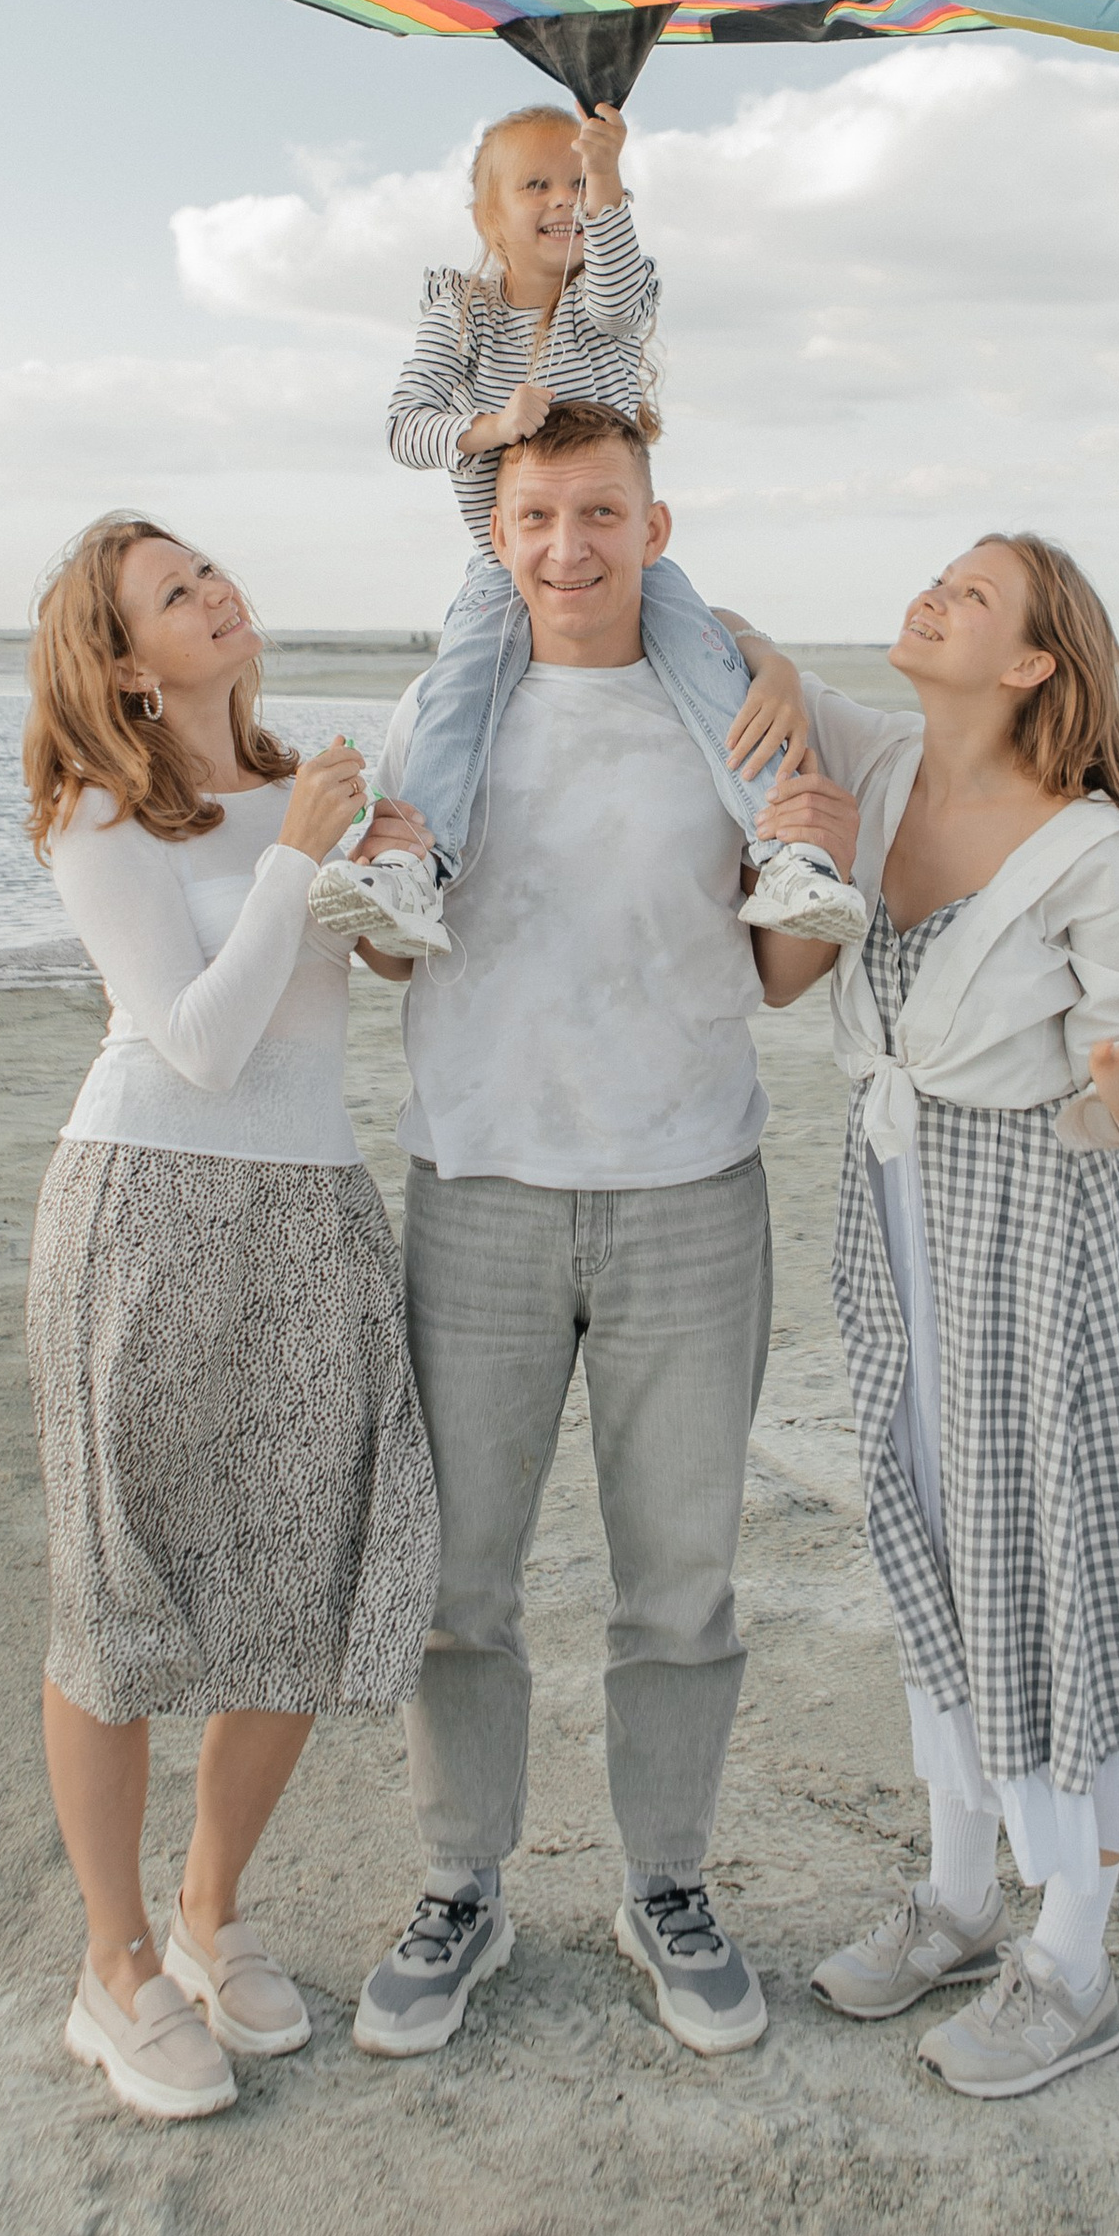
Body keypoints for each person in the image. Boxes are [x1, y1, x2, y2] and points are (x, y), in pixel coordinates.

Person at [345, 397, 843, 2065]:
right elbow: (392, 955)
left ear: (657, 523)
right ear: (499, 536)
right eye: (540, 515)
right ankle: (459, 1886)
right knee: (456, 1581)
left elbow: (784, 969)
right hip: (477, 1187)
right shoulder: (443, 706)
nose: (571, 546)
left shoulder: (735, 711)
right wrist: (385, 870)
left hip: (691, 1189)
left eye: (603, 512)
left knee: (680, 1585)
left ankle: (669, 1888)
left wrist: (821, 870)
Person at [731, 533, 1119, 2100]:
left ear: (1031, 668)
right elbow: (714, 629)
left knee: (1050, 1555)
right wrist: (770, 662)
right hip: (893, 1222)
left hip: (1034, 1233)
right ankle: (955, 1894)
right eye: (934, 572)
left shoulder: (1100, 858)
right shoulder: (870, 775)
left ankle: (1071, 1950)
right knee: (930, 1539)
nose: (932, 592)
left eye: (976, 594)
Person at [21, 514, 441, 2123]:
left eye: (209, 571)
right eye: (174, 594)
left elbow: (375, 976)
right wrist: (296, 857)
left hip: (309, 1204)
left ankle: (209, 1913)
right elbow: (193, 1040)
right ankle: (113, 1964)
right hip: (146, 1207)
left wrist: (389, 869)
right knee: (118, 1591)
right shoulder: (98, 815)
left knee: (306, 1573)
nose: (216, 594)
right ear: (125, 664)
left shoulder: (308, 788)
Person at [305, 98, 863, 963]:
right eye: (539, 183)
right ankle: (417, 861)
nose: (564, 198)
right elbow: (405, 425)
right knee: (460, 687)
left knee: (704, 660)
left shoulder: (611, 302)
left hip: (619, 552)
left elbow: (610, 268)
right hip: (505, 563)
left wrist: (606, 173)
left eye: (580, 182)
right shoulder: (459, 312)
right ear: (490, 215)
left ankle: (786, 848)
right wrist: (491, 424)